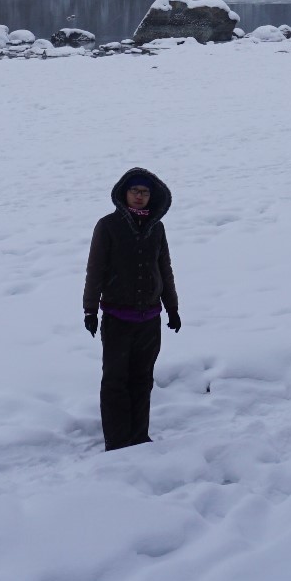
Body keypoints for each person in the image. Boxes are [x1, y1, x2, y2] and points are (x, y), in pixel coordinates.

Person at [83, 167, 180, 450]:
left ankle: (139, 437)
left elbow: (165, 269)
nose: (140, 196)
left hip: (149, 318)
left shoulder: (156, 228)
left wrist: (172, 307)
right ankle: (116, 441)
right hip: (117, 317)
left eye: (145, 192)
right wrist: (90, 310)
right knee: (115, 381)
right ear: (124, 194)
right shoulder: (108, 225)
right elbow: (95, 269)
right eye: (135, 191)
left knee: (142, 379)